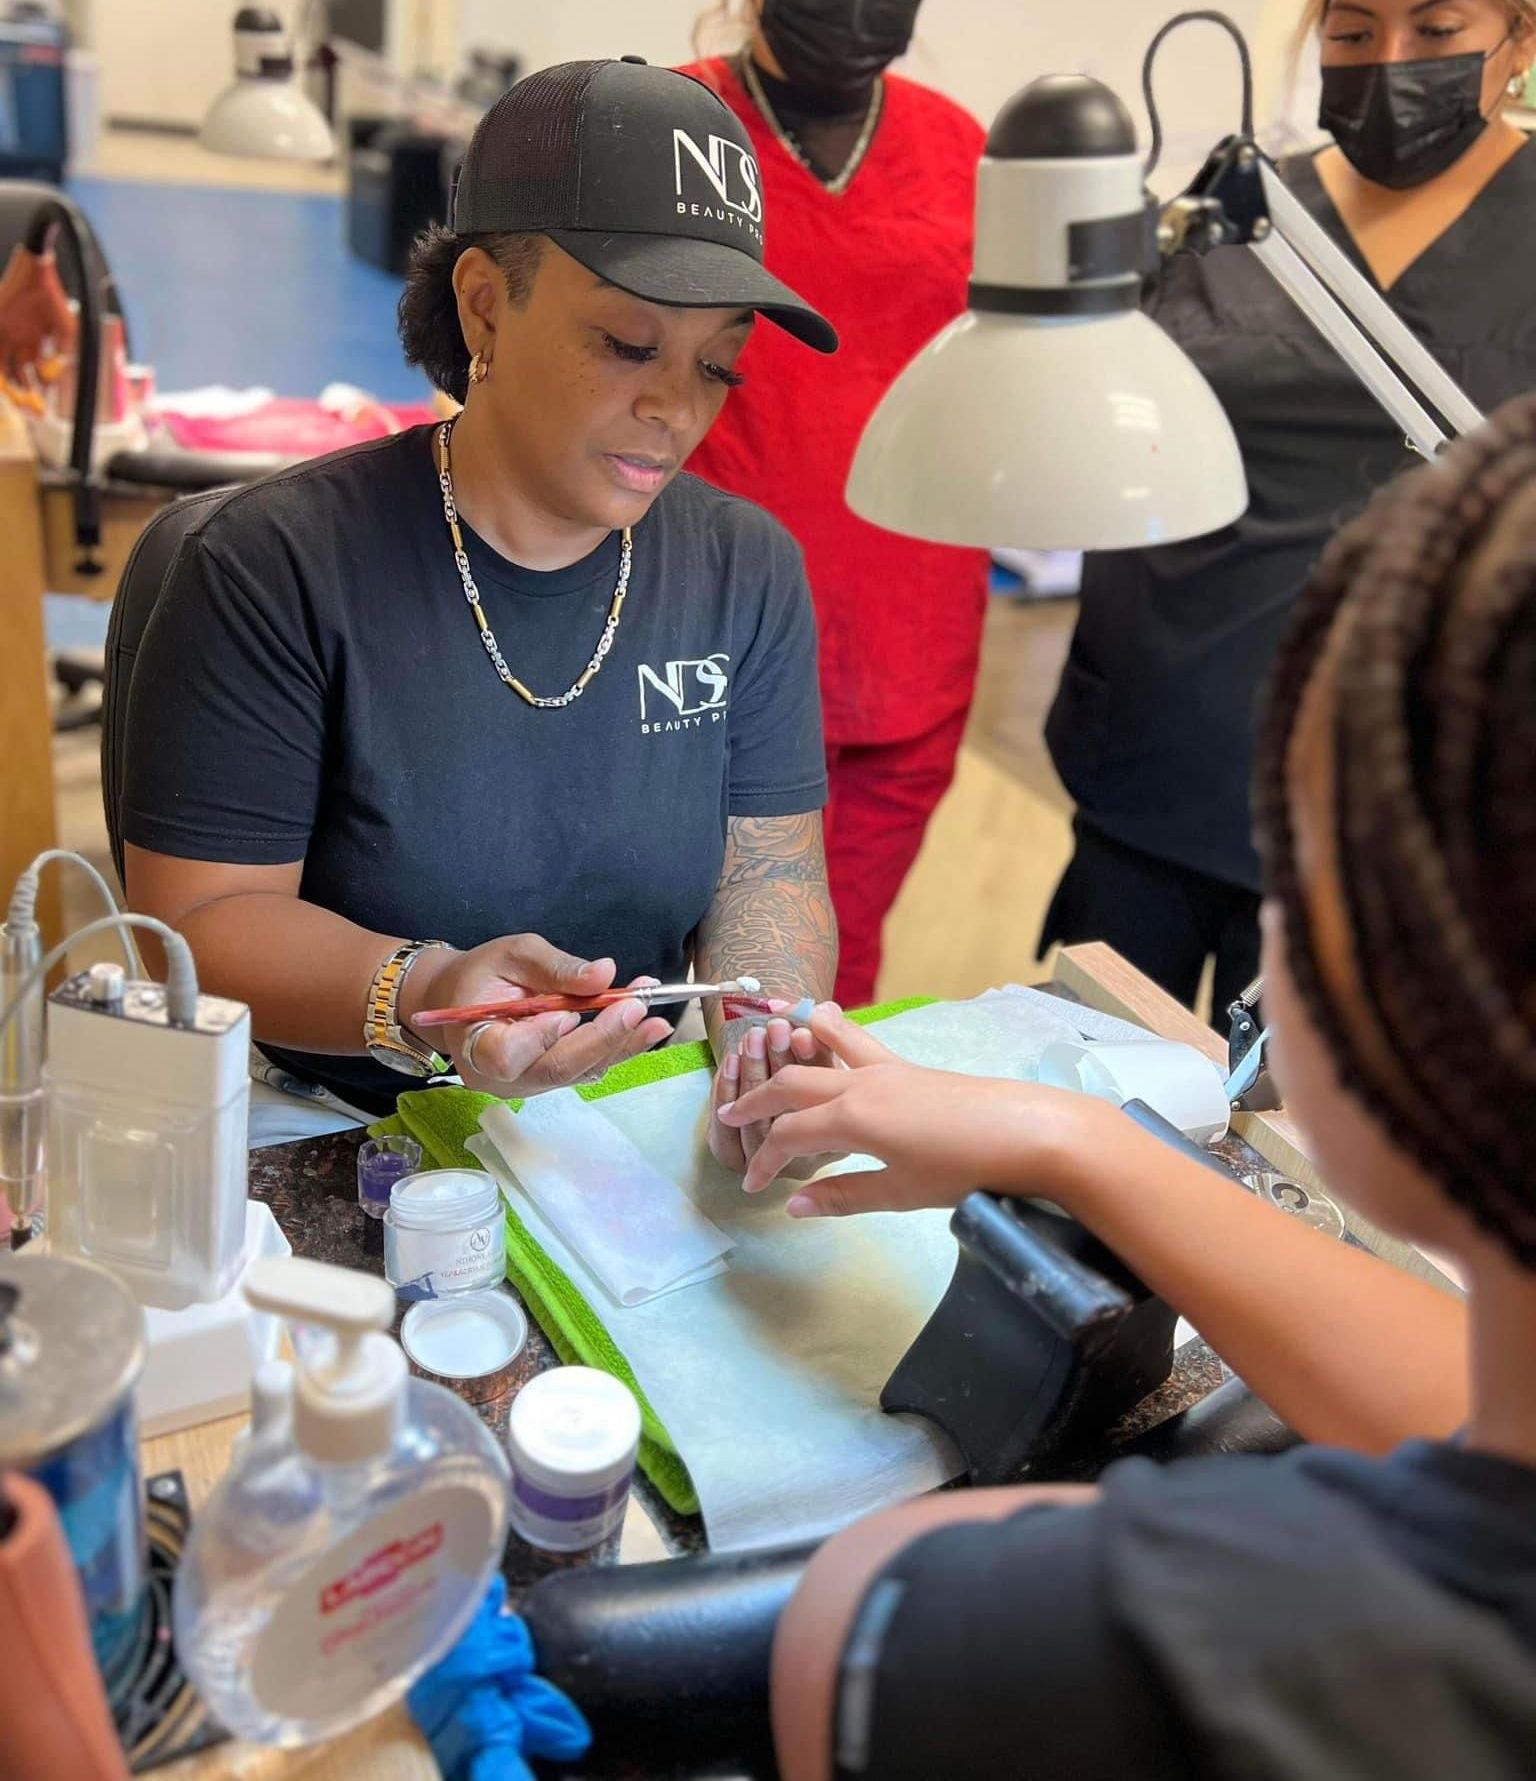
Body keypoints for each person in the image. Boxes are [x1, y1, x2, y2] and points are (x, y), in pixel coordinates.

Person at [716, 397, 1536, 1777]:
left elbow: (861, 1623)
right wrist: (1068, 1136)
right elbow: (1469, 1401)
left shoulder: (965, 1630)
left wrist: (926, 1583)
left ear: (1386, 975)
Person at [119, 59, 840, 1139]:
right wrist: (429, 992)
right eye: (630, 345)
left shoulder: (746, 571)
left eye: (718, 365)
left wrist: (758, 1040)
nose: (675, 407)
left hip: (615, 1121)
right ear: (486, 305)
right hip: (334, 1115)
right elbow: (200, 919)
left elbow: (768, 875)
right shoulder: (272, 568)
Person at [1040, 0, 1536, 1020]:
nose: (1391, 64)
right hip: (1156, 770)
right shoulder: (1234, 211)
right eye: (1352, 35)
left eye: (1438, 30)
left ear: (1520, 40)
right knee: (1089, 1107)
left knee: (1291, 1162)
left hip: (1390, 816)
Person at [681, 1, 990, 1008]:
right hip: (694, 647)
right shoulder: (673, 129)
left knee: (821, 998)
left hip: (906, 651)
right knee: (630, 983)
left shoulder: (959, 149)